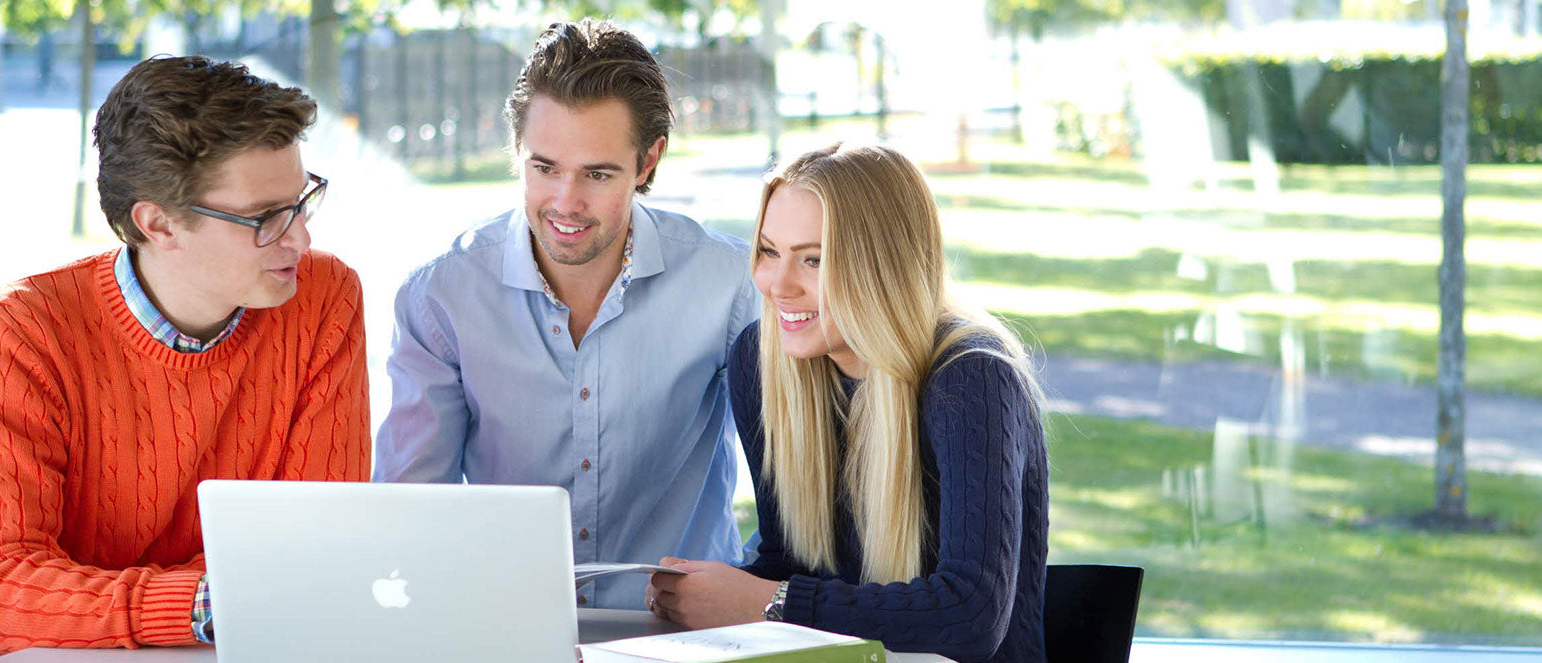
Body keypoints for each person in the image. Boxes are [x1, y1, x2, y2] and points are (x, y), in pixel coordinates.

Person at [0, 56, 370, 661]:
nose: (300, 238)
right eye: (264, 218)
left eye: (301, 201)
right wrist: (207, 605)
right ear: (158, 225)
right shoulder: (22, 331)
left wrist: (210, 604)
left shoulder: (323, 297)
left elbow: (318, 547)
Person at [374, 19, 759, 610]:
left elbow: (805, 490)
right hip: (504, 629)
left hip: (683, 637)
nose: (565, 203)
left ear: (648, 161)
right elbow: (410, 511)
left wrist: (751, 591)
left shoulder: (730, 286)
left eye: (597, 174)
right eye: (544, 167)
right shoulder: (441, 298)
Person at [646, 143, 1049, 663]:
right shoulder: (762, 358)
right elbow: (790, 562)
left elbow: (969, 616)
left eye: (813, 259)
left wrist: (767, 603)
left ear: (883, 267)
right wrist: (706, 594)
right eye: (769, 251)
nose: (778, 286)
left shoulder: (972, 379)